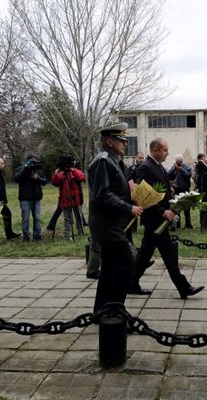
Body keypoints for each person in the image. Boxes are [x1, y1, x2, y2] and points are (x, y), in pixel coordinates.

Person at [129, 138, 204, 298]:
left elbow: (160, 187)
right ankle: (184, 288)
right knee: (168, 253)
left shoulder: (157, 166)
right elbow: (143, 196)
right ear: (155, 150)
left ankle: (130, 282)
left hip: (159, 218)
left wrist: (171, 191)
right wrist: (162, 211)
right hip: (154, 218)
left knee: (145, 254)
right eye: (165, 150)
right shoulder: (145, 167)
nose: (167, 153)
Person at [88, 122, 143, 314]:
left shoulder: (112, 160)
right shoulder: (103, 161)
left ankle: (102, 311)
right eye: (122, 140)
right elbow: (103, 194)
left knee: (110, 268)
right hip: (107, 224)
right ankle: (115, 311)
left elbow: (114, 190)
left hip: (111, 223)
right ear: (110, 141)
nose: (125, 144)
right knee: (126, 262)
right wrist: (129, 208)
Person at [50, 155, 86, 241]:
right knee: (67, 217)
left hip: (75, 198)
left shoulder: (74, 172)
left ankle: (80, 231)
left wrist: (72, 169)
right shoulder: (60, 174)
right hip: (65, 199)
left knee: (78, 215)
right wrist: (56, 174)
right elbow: (54, 183)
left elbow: (81, 177)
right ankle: (67, 233)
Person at [13, 154, 47, 241]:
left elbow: (44, 182)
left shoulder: (38, 170)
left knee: (37, 218)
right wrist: (25, 169)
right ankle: (26, 236)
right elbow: (16, 179)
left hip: (36, 197)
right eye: (31, 161)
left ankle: (38, 235)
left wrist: (37, 177)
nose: (33, 163)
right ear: (27, 161)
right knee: (25, 218)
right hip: (25, 198)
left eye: (35, 161)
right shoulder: (21, 169)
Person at [0, 157, 21, 240]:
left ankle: (9, 233)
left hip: (0, 199)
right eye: (2, 163)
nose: (4, 165)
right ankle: (9, 234)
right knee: (7, 214)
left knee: (6, 215)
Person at [167, 154, 193, 229]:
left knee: (186, 209)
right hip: (176, 190)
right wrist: (174, 169)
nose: (178, 163)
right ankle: (177, 225)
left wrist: (181, 169)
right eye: (177, 162)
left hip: (185, 191)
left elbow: (188, 175)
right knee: (177, 209)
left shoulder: (187, 167)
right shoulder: (174, 167)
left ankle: (188, 225)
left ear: (182, 161)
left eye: (180, 162)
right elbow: (168, 175)